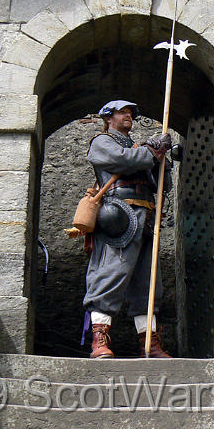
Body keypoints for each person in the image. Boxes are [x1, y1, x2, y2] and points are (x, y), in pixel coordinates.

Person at [83, 100, 173, 359]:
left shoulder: (136, 146)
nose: (129, 116)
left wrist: (162, 158)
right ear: (109, 118)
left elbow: (158, 181)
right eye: (123, 113)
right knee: (110, 274)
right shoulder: (101, 142)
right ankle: (99, 340)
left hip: (146, 216)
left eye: (131, 113)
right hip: (119, 216)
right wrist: (150, 152)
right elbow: (124, 162)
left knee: (148, 282)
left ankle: (150, 345)